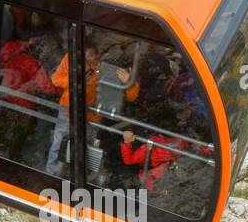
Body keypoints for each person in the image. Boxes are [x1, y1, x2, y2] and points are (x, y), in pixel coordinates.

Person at [46, 43, 139, 175]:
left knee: (86, 149)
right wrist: (76, 80)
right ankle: (51, 174)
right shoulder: (71, 58)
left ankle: (75, 178)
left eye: (92, 56)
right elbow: (56, 79)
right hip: (69, 109)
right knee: (59, 143)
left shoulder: (111, 68)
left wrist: (129, 82)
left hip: (92, 115)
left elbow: (131, 97)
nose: (89, 59)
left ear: (99, 54)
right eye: (85, 56)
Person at [118, 128, 186, 192]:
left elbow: (129, 161)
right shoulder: (179, 143)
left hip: (155, 179)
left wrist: (127, 142)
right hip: (161, 177)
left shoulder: (148, 149)